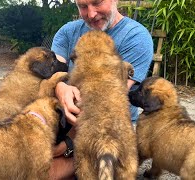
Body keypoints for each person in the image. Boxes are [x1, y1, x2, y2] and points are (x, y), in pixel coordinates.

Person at [48, 0, 153, 178]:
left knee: (44, 172)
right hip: (63, 120)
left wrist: (67, 144)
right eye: (82, 6)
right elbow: (51, 73)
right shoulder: (67, 32)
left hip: (108, 127)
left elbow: (106, 99)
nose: (91, 14)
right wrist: (60, 87)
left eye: (97, 2)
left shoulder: (136, 37)